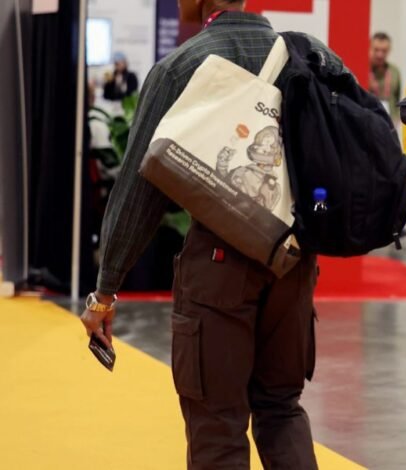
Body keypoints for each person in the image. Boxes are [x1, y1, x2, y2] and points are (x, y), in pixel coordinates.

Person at [80, 1, 348, 468]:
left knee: (217, 425)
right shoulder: (309, 57)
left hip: (219, 266)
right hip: (294, 260)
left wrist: (105, 291)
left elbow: (140, 191)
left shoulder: (182, 66)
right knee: (282, 408)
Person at [369, 32, 402, 123]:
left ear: (389, 50)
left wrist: (397, 119)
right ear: (370, 48)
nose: (380, 55)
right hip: (369, 120)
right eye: (376, 50)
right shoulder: (364, 71)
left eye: (384, 51)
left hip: (390, 122)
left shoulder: (395, 71)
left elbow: (398, 98)